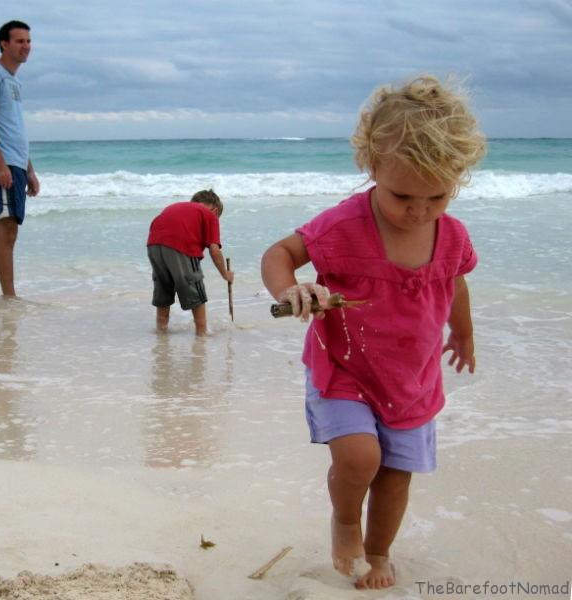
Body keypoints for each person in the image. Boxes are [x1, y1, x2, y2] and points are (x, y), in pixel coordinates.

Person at [261, 75, 486, 590]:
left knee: (396, 475)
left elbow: (454, 283)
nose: (420, 210)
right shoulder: (345, 224)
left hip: (412, 378)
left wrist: (464, 335)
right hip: (344, 366)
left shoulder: (450, 235)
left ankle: (379, 551)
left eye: (437, 196)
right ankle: (344, 522)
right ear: (371, 164)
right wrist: (289, 290)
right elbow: (280, 254)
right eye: (403, 194)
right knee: (361, 456)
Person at [0, 20, 40, 297]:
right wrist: (0, 163)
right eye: (19, 41)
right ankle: (9, 298)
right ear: (4, 43)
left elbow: (13, 129)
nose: (25, 46)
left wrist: (29, 169)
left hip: (14, 164)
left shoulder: (14, 80)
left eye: (28, 41)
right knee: (7, 231)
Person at [147, 189, 234, 336]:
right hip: (180, 245)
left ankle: (161, 332)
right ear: (215, 210)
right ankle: (202, 334)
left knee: (164, 289)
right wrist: (225, 274)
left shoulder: (177, 207)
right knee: (195, 288)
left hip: (153, 244)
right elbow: (214, 250)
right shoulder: (209, 215)